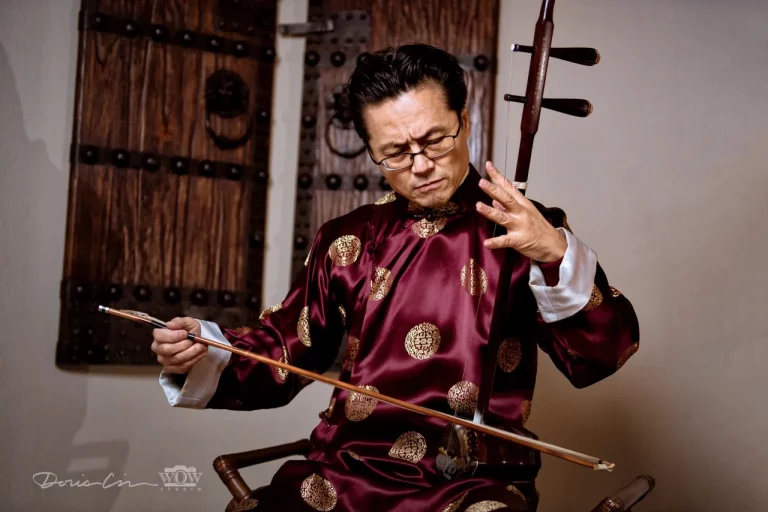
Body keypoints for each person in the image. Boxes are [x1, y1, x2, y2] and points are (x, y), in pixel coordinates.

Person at [152, 44, 639, 511]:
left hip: (473, 479)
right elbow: (285, 349)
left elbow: (600, 356)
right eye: (396, 153)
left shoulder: (526, 229)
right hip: (346, 469)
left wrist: (553, 252)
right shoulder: (347, 239)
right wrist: (203, 349)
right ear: (371, 150)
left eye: (435, 140)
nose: (421, 166)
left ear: (464, 120)